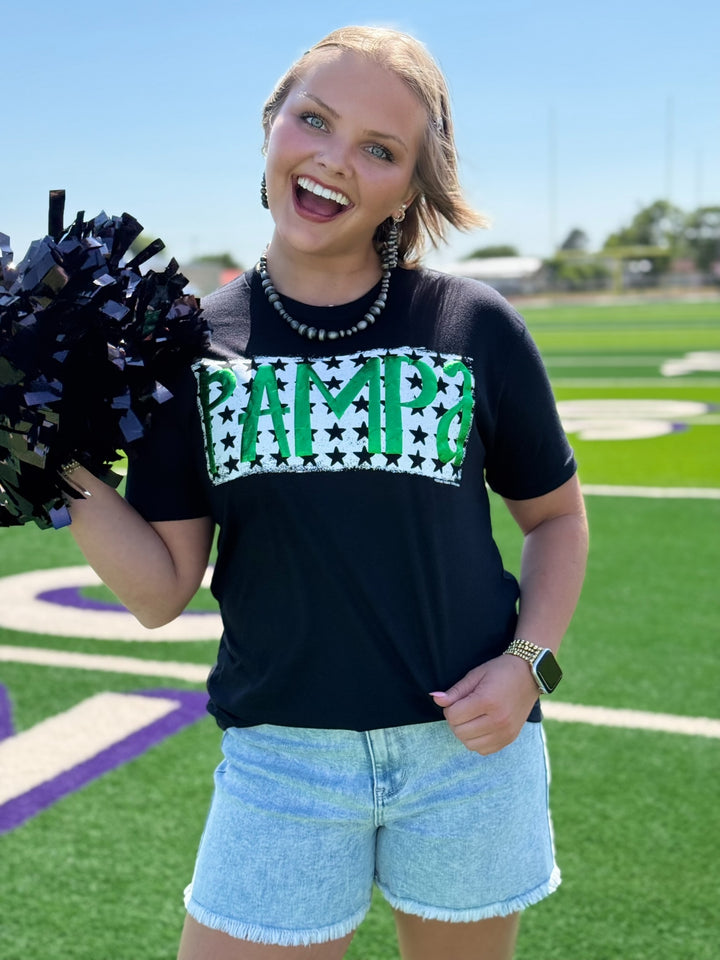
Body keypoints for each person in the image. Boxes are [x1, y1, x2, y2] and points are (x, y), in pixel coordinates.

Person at [63, 25, 588, 960]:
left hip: (468, 759)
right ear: (271, 124)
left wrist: (530, 666)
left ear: (409, 187)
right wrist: (50, 453)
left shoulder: (473, 324)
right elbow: (158, 591)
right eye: (315, 120)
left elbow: (556, 519)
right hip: (282, 764)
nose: (335, 161)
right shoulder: (188, 349)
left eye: (380, 150)